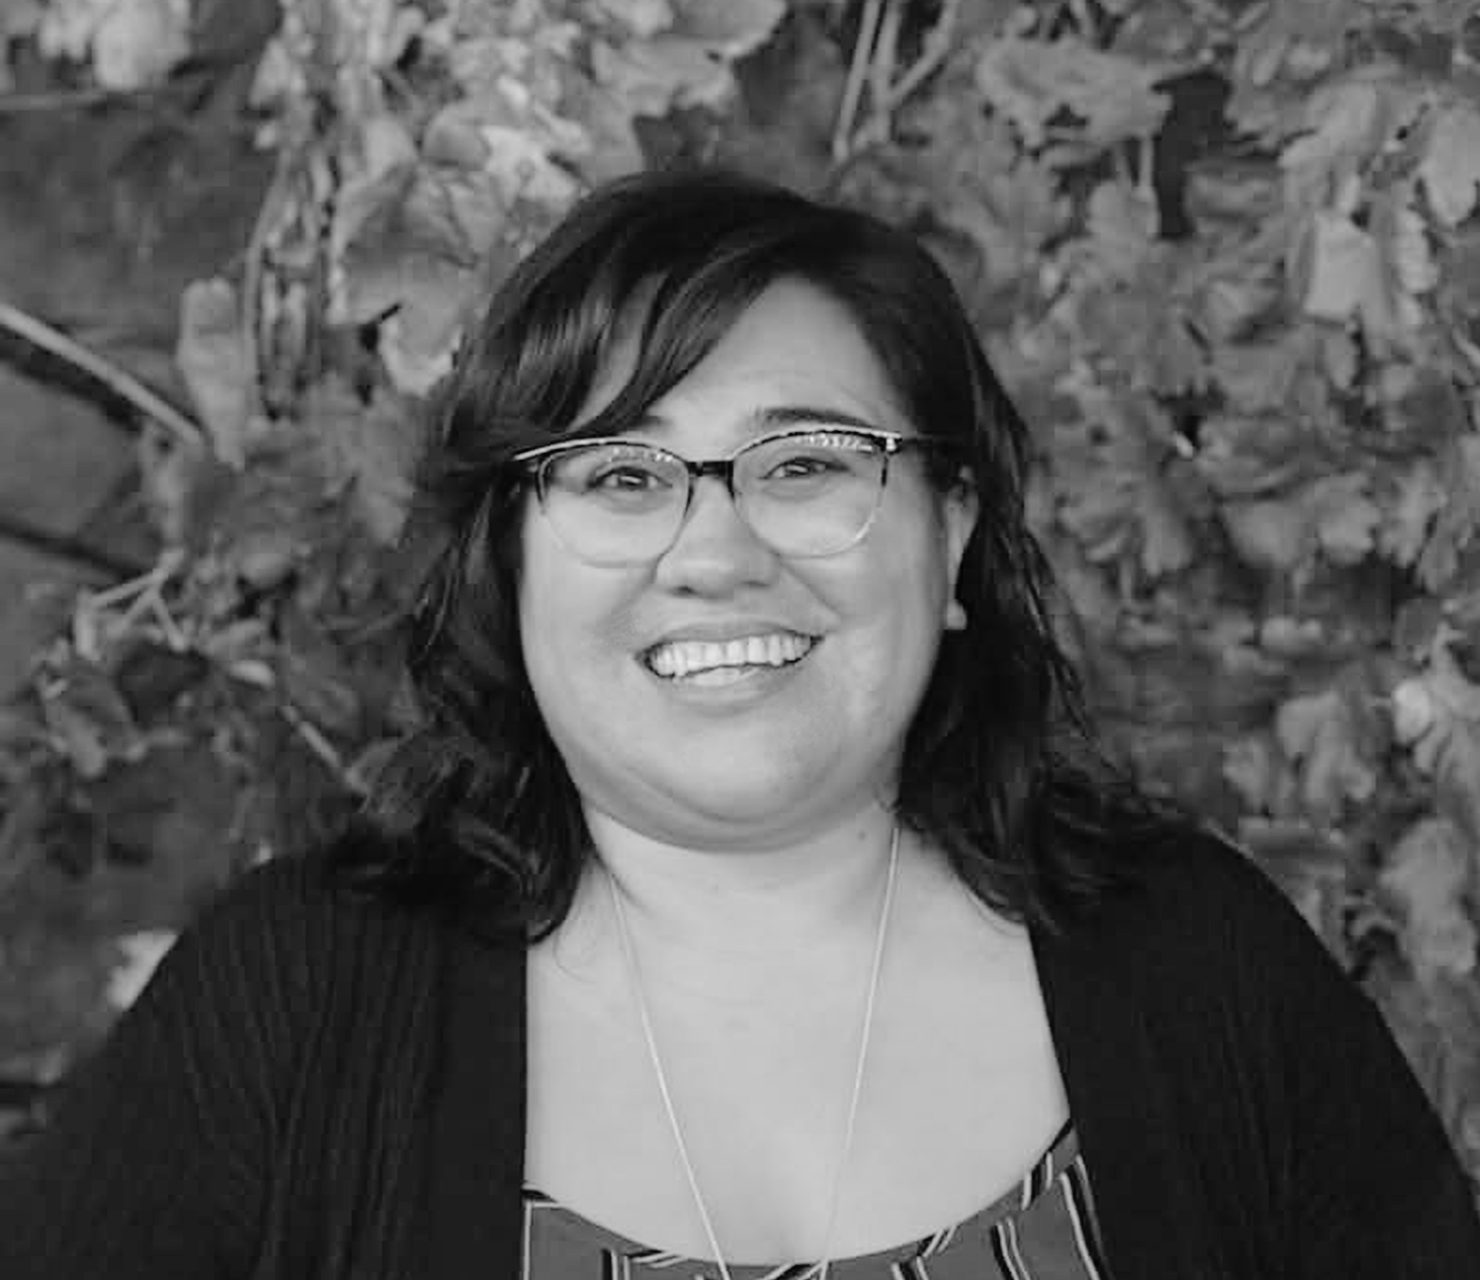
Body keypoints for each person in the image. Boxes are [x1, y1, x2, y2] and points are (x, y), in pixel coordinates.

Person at [2, 168, 1476, 1280]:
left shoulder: (1199, 968)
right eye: (620, 476)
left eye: (808, 463)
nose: (713, 551)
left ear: (951, 534)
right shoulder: (296, 1009)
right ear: (510, 556)